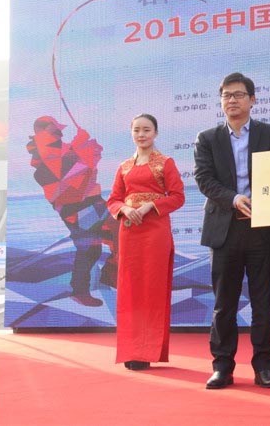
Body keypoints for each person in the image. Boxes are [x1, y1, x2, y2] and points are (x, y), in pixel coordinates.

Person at [194, 72, 270, 389]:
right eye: (226, 95)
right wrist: (234, 198)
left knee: (263, 302)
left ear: (252, 99)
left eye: (238, 94)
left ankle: (264, 366)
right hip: (225, 230)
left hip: (263, 229)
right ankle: (222, 366)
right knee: (224, 304)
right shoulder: (207, 138)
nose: (231, 100)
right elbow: (204, 179)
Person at [107, 113, 185, 371]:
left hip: (155, 231)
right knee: (129, 290)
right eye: (137, 130)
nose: (141, 135)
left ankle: (146, 350)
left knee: (152, 289)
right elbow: (113, 200)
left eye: (147, 130)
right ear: (131, 133)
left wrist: (151, 205)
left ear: (156, 133)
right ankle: (131, 349)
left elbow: (178, 197)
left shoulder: (165, 163)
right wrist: (124, 209)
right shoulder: (124, 166)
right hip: (129, 232)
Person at [27, 116, 119, 307]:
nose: (59, 133)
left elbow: (81, 167)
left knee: (116, 233)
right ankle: (81, 290)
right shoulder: (45, 158)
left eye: (58, 130)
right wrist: (86, 151)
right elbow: (72, 177)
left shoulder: (60, 150)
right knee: (90, 248)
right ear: (43, 133)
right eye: (54, 130)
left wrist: (84, 146)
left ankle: (110, 277)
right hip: (77, 209)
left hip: (92, 203)